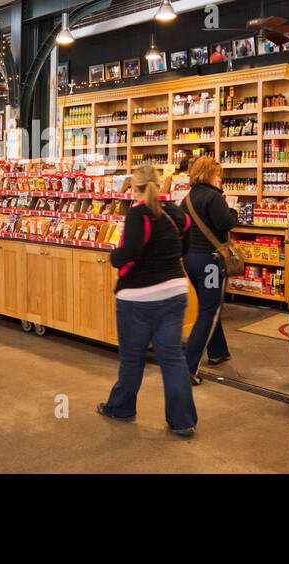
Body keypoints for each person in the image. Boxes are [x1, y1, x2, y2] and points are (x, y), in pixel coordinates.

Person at [96, 165, 197, 436]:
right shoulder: (176, 213)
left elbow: (130, 252)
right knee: (173, 358)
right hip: (175, 292)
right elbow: (184, 247)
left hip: (138, 298)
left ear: (135, 188)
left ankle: (121, 408)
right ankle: (183, 421)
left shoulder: (138, 214)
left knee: (132, 358)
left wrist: (113, 257)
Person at [182, 156, 239, 382]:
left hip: (190, 259)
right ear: (209, 175)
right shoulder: (214, 197)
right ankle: (187, 368)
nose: (220, 179)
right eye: (218, 175)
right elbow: (226, 223)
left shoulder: (187, 197)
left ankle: (218, 351)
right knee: (208, 312)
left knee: (210, 305)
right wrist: (233, 210)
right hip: (210, 263)